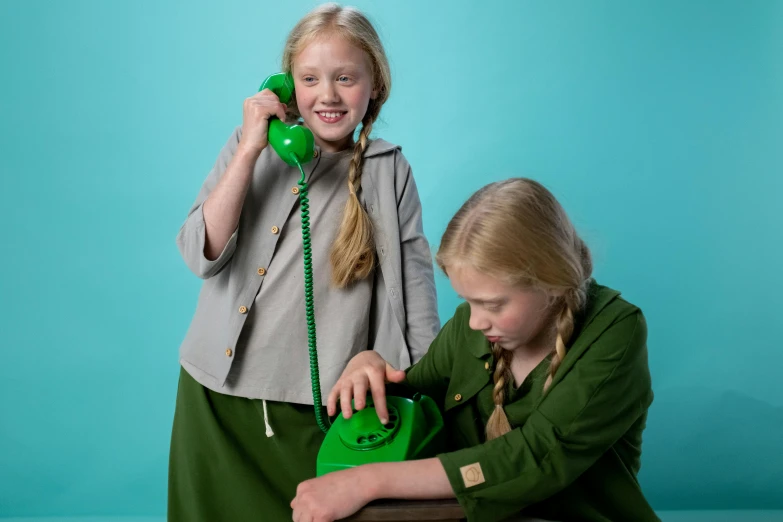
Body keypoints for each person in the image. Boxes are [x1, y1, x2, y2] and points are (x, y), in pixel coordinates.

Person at [168, 4, 439, 521]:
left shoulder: (389, 171)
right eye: (309, 79)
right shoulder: (255, 147)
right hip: (215, 399)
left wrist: (418, 380)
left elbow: (414, 289)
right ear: (288, 85)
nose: (328, 95)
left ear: (374, 85)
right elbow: (198, 253)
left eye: (345, 78)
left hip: (319, 408)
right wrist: (250, 149)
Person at [292, 178, 659, 522]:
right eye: (469, 301)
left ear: (551, 283)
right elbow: (416, 407)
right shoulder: (470, 326)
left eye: (494, 305)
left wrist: (368, 480)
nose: (475, 322)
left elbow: (537, 456)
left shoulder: (616, 330)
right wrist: (368, 367)